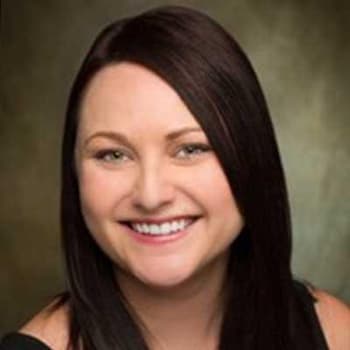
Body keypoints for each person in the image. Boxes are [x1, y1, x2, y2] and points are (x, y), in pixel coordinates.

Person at [1, 5, 349, 350]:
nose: (151, 195)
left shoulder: (332, 331)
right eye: (113, 155)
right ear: (75, 172)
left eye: (190, 149)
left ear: (250, 157)